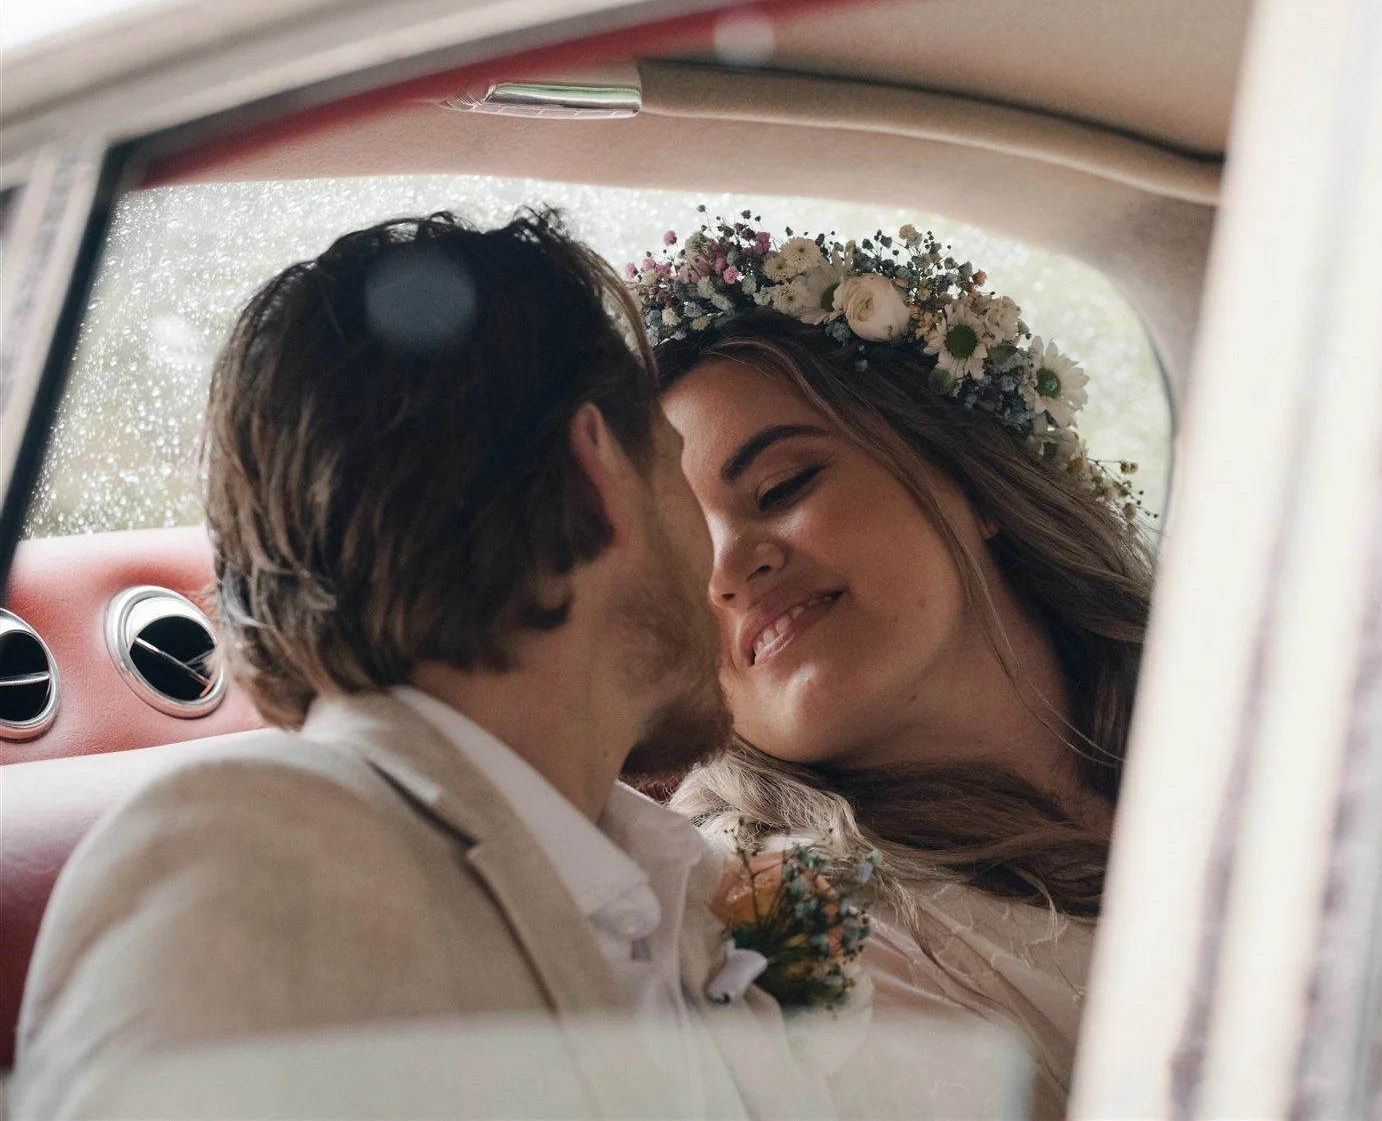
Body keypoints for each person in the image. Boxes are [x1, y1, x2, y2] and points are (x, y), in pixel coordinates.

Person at [14, 212, 830, 1118]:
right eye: (676, 471)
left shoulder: (665, 883)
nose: (716, 567)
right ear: (595, 475)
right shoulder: (256, 869)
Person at [633, 217, 1151, 1120]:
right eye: (678, 561)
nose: (726, 569)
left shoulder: (1249, 706)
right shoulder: (773, 923)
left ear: (967, 476)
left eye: (783, 487)